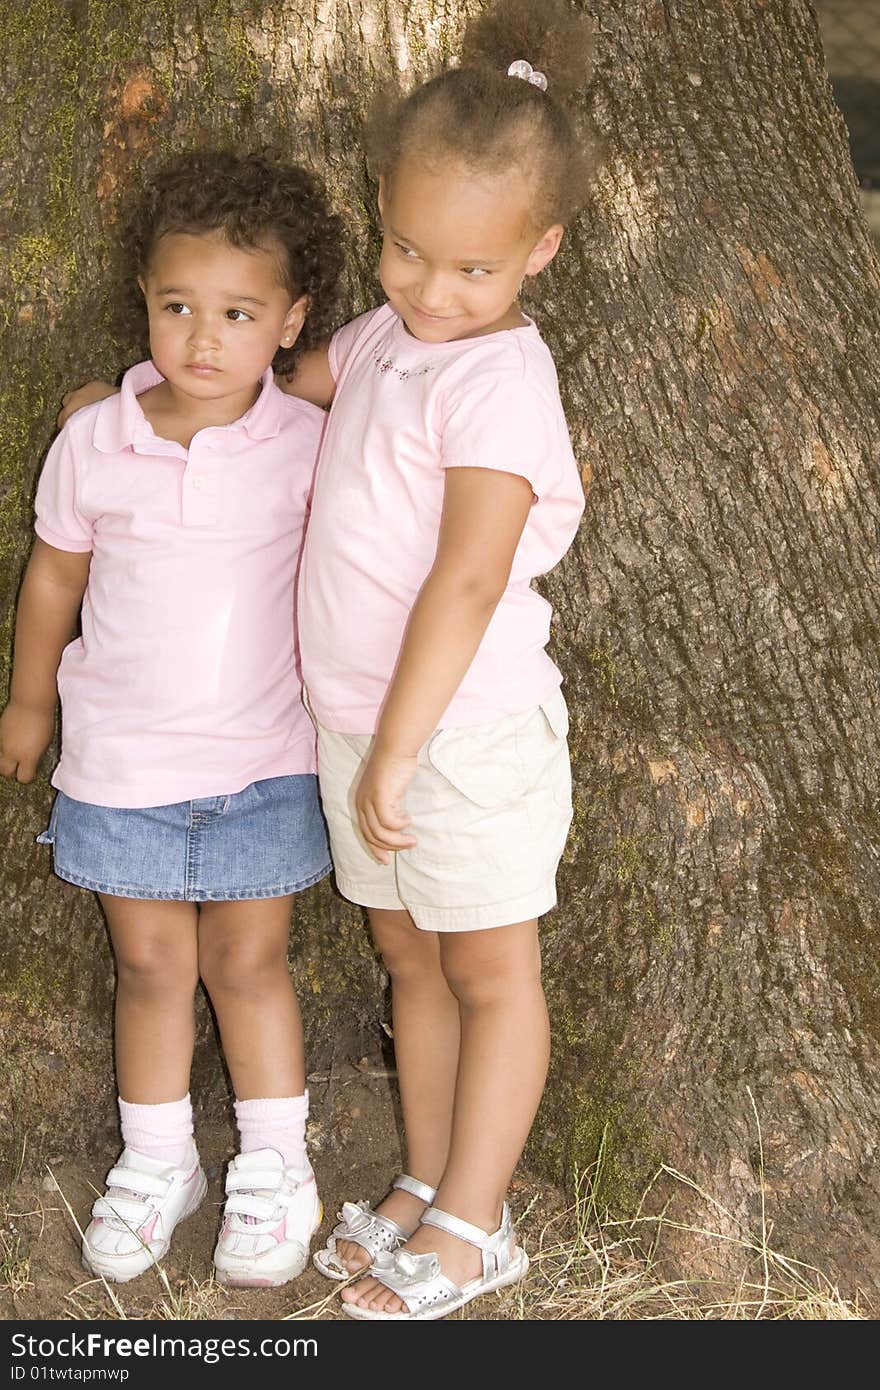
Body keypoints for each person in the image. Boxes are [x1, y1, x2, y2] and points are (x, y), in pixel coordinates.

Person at [294, 0, 598, 1320]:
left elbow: (470, 574)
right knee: (408, 963)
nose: (432, 288)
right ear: (381, 208)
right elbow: (291, 378)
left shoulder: (500, 380)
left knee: (487, 969)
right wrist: (150, 395)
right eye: (409, 250)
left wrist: (406, 748)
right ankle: (426, 1177)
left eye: (472, 269)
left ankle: (479, 1219)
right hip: (365, 728)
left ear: (541, 251)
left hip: (457, 737)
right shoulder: (389, 336)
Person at [0, 150, 342, 1287]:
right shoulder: (98, 437)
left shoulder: (306, 442)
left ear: (290, 321)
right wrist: (28, 700)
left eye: (240, 313)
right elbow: (54, 575)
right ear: (143, 300)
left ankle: (274, 1164)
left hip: (265, 757)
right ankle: (157, 1164)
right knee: (148, 965)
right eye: (177, 306)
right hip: (120, 759)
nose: (202, 337)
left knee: (251, 962)